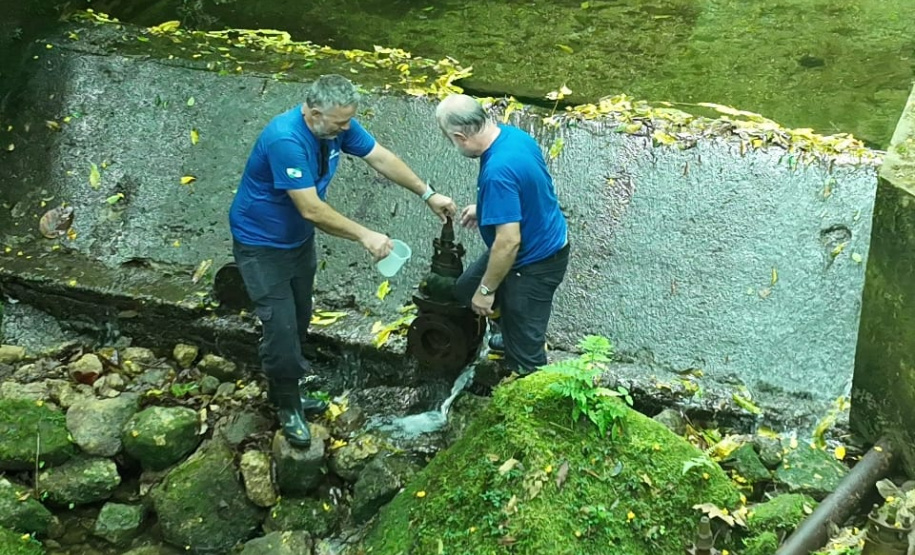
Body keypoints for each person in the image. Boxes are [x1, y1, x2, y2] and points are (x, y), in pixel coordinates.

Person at [230, 74, 457, 447]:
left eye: (349, 120)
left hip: (297, 244)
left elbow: (381, 157)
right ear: (314, 113)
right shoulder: (285, 140)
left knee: (300, 316)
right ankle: (287, 405)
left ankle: (285, 382)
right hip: (261, 246)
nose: (348, 128)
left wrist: (428, 194)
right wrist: (365, 235)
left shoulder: (334, 127)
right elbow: (311, 209)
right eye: (340, 122)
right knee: (281, 327)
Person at [436, 94, 570, 376]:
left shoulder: (497, 172)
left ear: (460, 136)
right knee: (465, 290)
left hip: (535, 263)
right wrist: (487, 209)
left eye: (450, 140)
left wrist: (487, 292)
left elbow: (509, 243)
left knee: (527, 356)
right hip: (529, 240)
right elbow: (523, 190)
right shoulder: (512, 136)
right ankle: (506, 332)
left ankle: (532, 402)